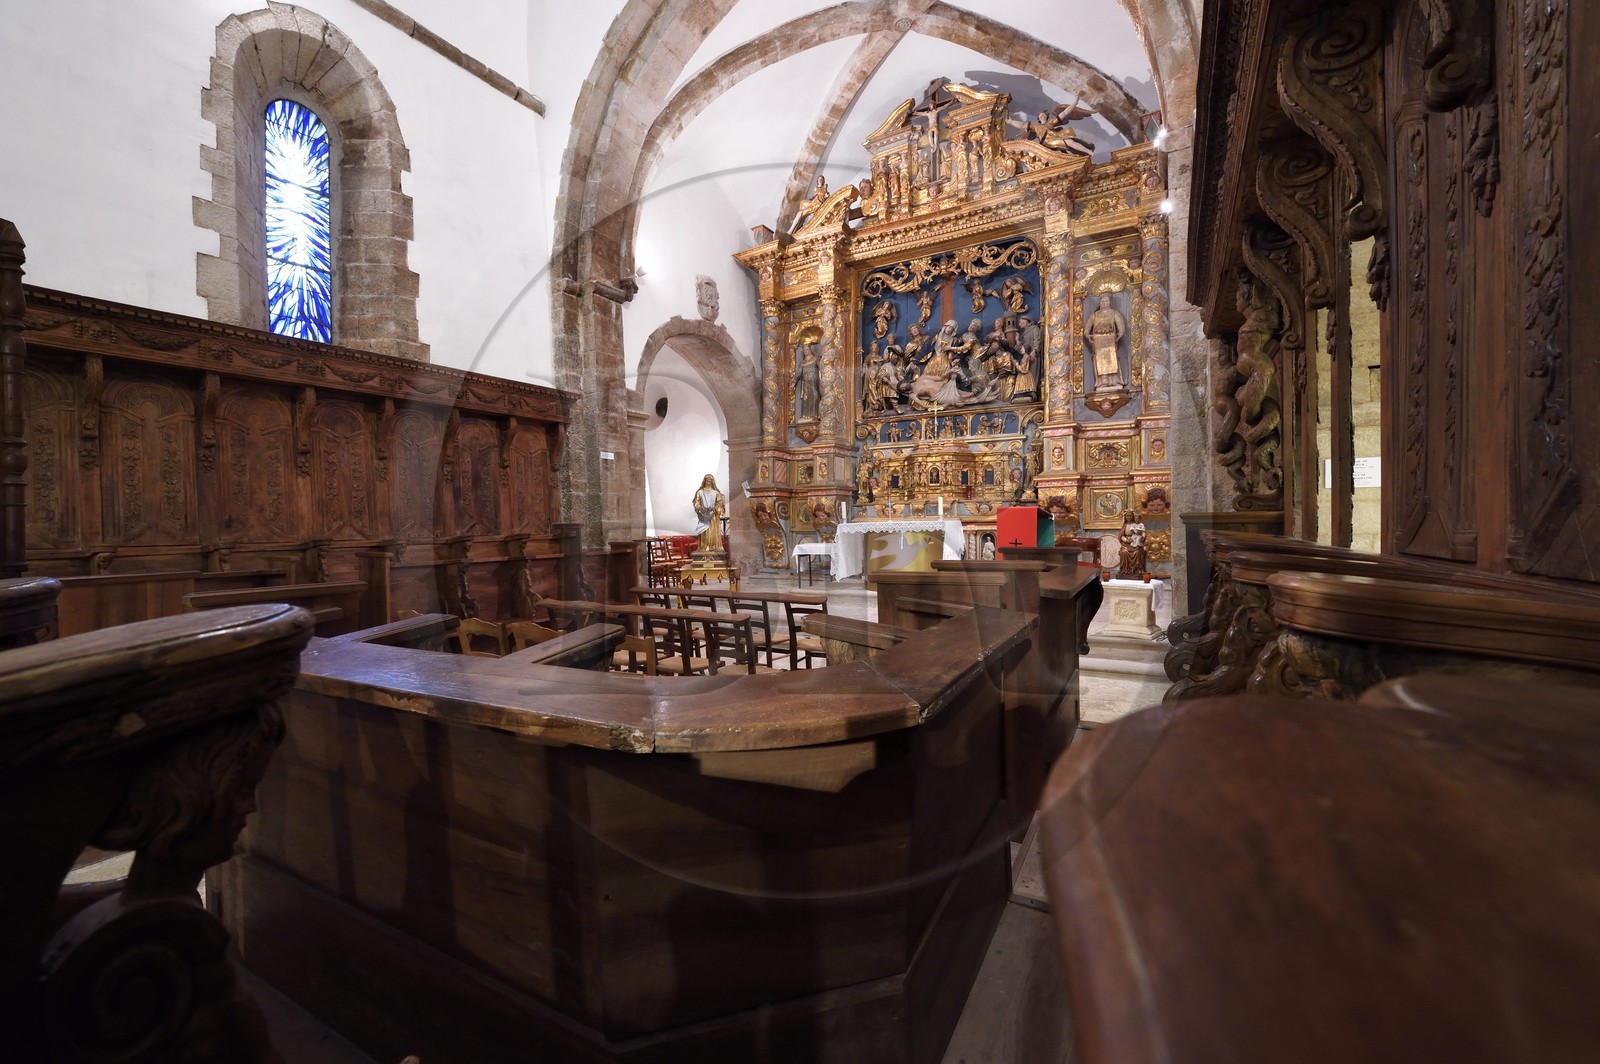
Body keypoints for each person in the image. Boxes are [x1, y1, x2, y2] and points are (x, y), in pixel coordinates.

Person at [1086, 293, 1126, 390]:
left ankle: (1114, 380)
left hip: (1110, 341)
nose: (1104, 303)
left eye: (1106, 301)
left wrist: (1120, 334)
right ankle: (1103, 380)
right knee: (1100, 360)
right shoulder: (1095, 315)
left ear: (1109, 302)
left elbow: (1120, 325)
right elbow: (1087, 328)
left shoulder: (1114, 313)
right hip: (1098, 342)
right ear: (1100, 303)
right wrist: (1088, 335)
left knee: (1112, 358)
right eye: (1103, 301)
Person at [692, 474, 726, 553]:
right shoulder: (699, 492)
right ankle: (704, 547)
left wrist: (716, 508)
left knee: (712, 532)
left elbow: (720, 502)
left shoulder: (716, 493)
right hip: (703, 515)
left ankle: (713, 547)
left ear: (712, 482)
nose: (708, 483)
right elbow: (696, 502)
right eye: (707, 481)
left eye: (710, 481)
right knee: (704, 531)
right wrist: (700, 508)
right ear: (704, 481)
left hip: (712, 516)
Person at [1117, 510, 1147, 578]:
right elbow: (1121, 535)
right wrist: (1126, 540)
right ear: (1125, 517)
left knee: (1137, 552)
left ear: (1133, 516)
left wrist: (1142, 537)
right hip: (1126, 544)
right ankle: (1125, 570)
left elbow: (1143, 533)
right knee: (1124, 552)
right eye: (1127, 516)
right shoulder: (1125, 525)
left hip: (1136, 543)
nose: (1129, 517)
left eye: (1130, 516)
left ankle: (1137, 570)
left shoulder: (1137, 524)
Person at [795, 343, 821, 420]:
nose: (806, 351)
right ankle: (805, 415)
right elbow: (798, 374)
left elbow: (821, 369)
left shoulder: (815, 359)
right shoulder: (802, 363)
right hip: (805, 382)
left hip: (814, 381)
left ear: (810, 350)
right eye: (804, 350)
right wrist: (793, 382)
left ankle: (815, 414)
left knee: (815, 396)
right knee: (806, 398)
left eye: (807, 349)